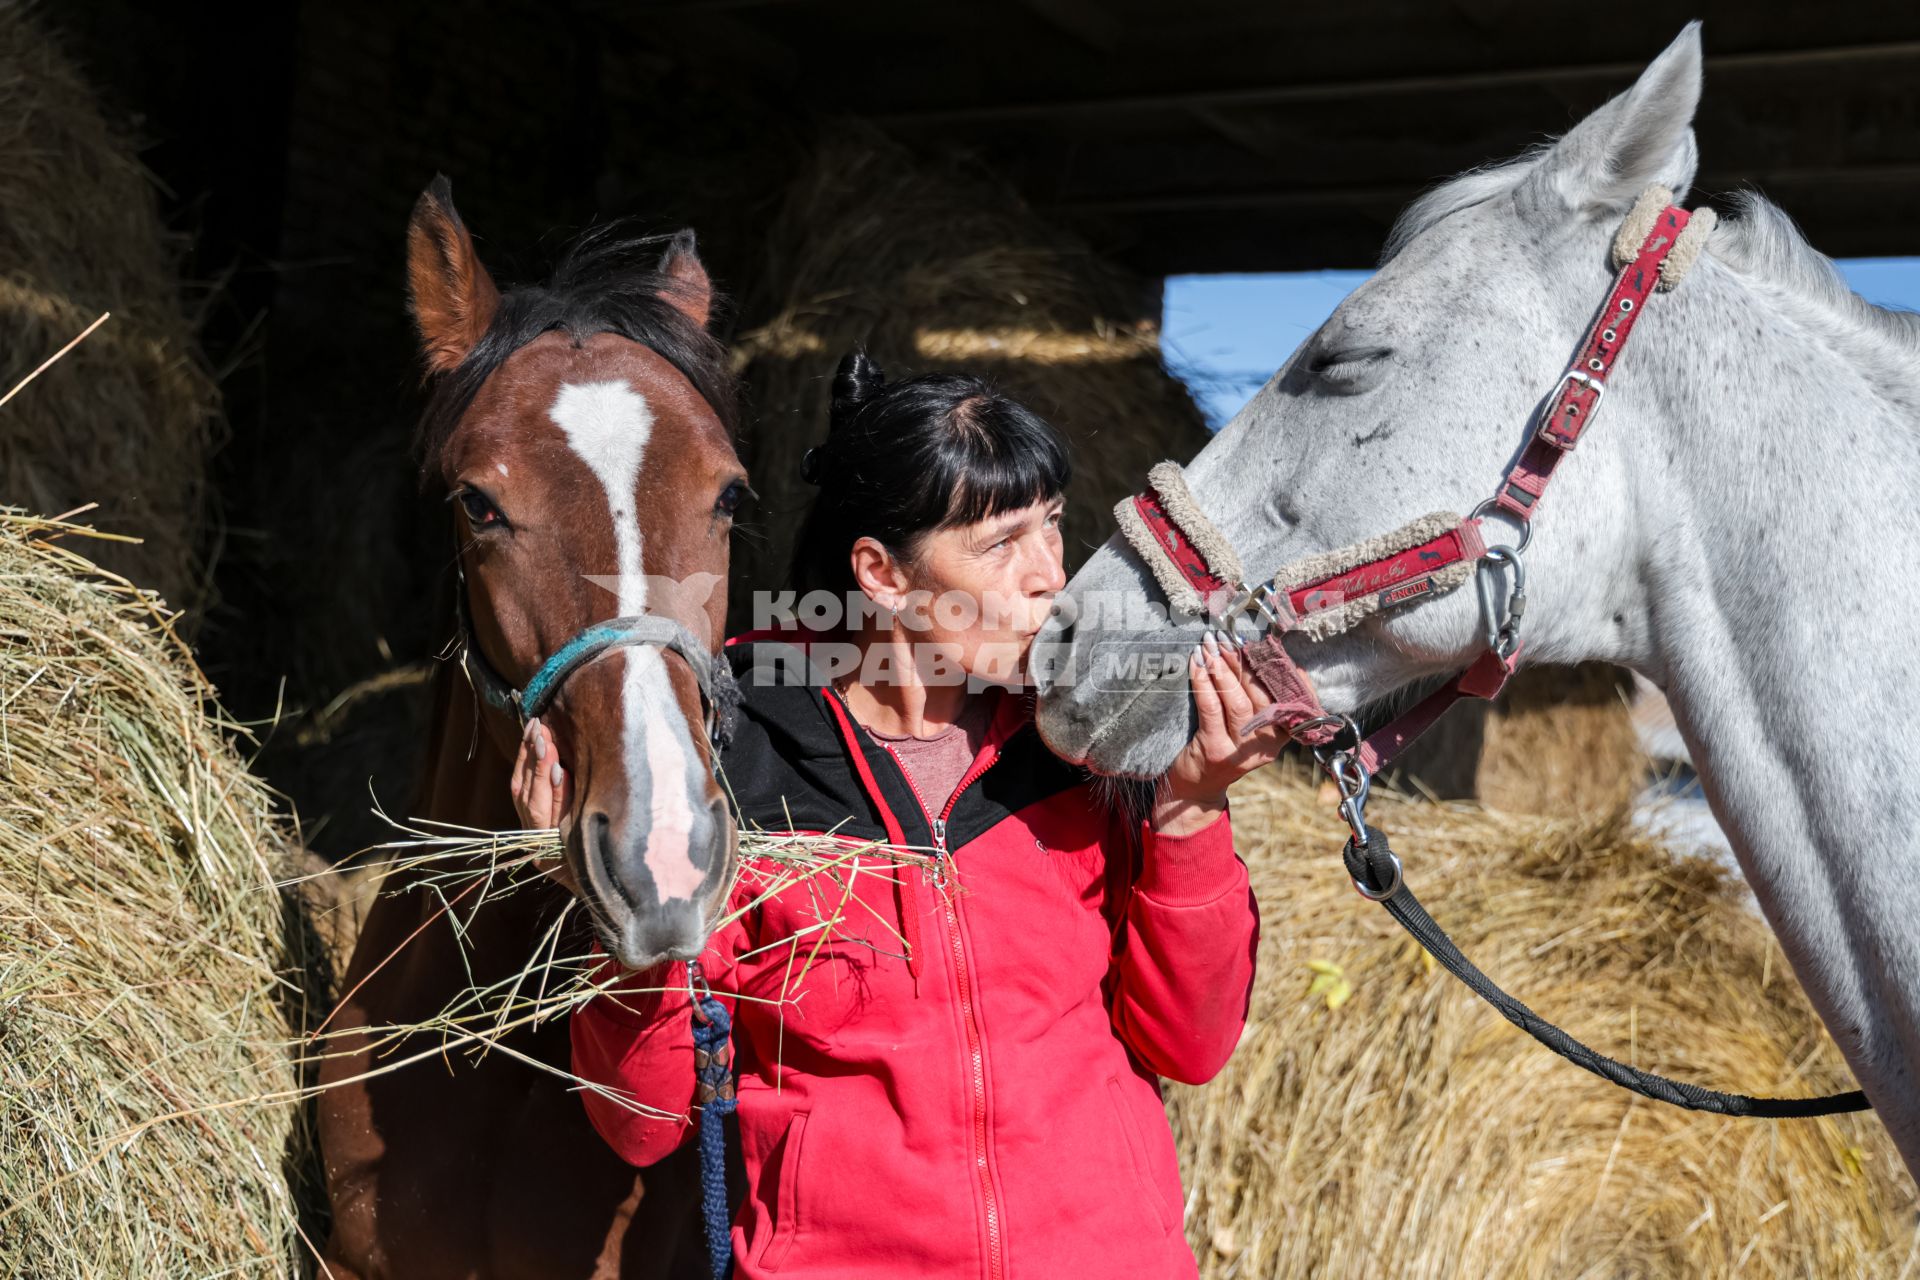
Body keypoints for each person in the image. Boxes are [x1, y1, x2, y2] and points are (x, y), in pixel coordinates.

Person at [511, 352, 1286, 1278]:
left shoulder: (1085, 750)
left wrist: (1192, 809)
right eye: (1002, 545)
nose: (1055, 576)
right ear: (881, 574)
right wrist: (619, 912)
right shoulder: (743, 775)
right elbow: (642, 1123)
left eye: (1053, 527)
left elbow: (1190, 1049)